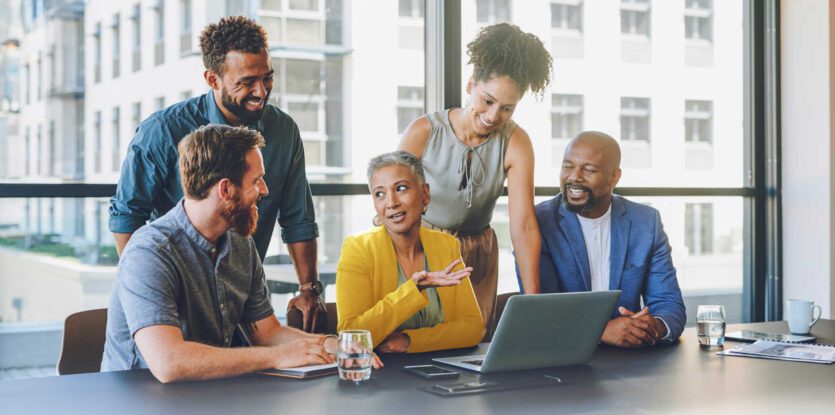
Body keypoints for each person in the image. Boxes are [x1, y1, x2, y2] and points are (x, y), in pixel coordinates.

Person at [101, 125, 381, 382]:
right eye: (257, 180)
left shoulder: (239, 243)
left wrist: (328, 344)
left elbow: (268, 333)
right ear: (225, 189)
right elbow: (169, 363)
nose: (265, 190)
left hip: (209, 395)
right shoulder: (149, 252)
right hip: (138, 401)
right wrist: (278, 356)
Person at [108, 16, 324, 331]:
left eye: (267, 78)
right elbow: (127, 215)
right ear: (213, 79)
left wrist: (309, 288)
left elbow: (298, 217)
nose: (261, 91)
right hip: (179, 299)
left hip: (245, 299)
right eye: (246, 82)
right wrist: (149, 291)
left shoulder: (283, 130)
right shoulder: (163, 131)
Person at [398, 23, 552, 335]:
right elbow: (390, 205)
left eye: (507, 108)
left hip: (478, 255)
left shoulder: (516, 142)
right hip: (423, 248)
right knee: (417, 337)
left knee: (473, 341)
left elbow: (523, 226)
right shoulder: (423, 131)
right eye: (488, 100)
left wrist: (534, 303)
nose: (494, 115)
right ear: (471, 85)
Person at [522, 131, 687, 348]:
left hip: (630, 358)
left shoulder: (646, 222)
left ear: (614, 178)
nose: (574, 177)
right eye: (568, 167)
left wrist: (651, 326)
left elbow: (669, 304)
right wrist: (600, 331)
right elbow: (542, 311)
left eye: (589, 170)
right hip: (562, 356)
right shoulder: (538, 224)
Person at [336, 151, 484, 353]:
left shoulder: (446, 245)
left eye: (401, 188)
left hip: (442, 367)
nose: (391, 203)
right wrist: (414, 289)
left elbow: (473, 328)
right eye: (380, 194)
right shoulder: (357, 249)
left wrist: (410, 341)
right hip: (384, 368)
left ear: (425, 194)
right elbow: (351, 336)